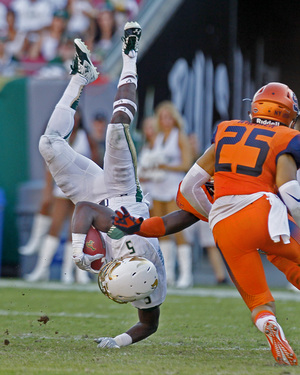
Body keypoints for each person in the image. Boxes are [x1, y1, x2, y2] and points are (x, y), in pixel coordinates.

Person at [113, 82, 300, 365]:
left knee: (259, 299)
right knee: (285, 256)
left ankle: (269, 323)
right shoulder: (286, 137)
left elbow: (186, 190)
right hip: (265, 213)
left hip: (225, 224)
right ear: (288, 114)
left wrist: (141, 225)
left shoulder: (226, 133)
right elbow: (290, 195)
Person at [38, 22, 166, 348]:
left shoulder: (148, 283)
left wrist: (117, 342)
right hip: (120, 191)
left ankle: (80, 77)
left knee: (49, 144)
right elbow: (84, 210)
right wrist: (78, 249)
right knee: (116, 129)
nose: (105, 275)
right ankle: (129, 57)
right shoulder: (133, 242)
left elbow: (148, 324)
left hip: (92, 196)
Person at [145, 101, 193, 288]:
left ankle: (186, 275)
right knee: (161, 231)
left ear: (174, 119)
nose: (165, 120)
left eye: (169, 117)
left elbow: (187, 164)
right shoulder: (156, 137)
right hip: (157, 187)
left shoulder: (179, 136)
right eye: (162, 117)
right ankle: (169, 274)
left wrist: (165, 166)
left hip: (174, 187)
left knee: (178, 231)